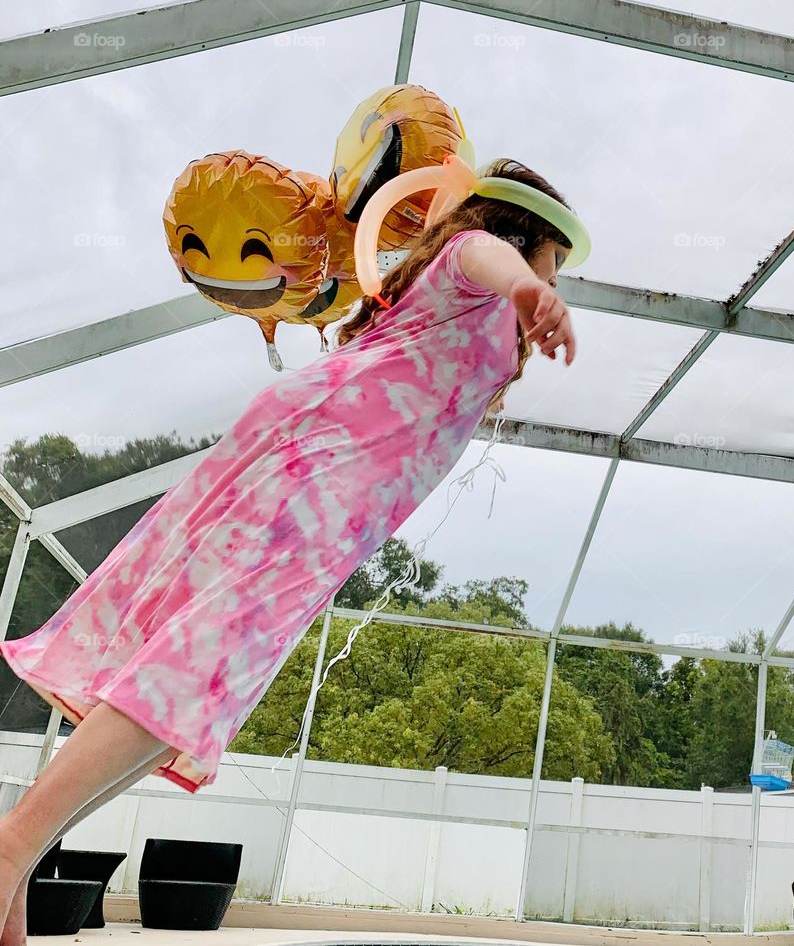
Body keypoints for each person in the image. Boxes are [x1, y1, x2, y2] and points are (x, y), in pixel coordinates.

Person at [0, 157, 583, 944]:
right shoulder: (476, 262)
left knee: (194, 691)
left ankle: (22, 850)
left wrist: (524, 293)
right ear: (529, 238)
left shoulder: (446, 310)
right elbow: (485, 254)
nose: (557, 284)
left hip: (324, 474)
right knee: (192, 670)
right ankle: (9, 847)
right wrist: (526, 288)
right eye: (557, 265)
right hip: (324, 469)